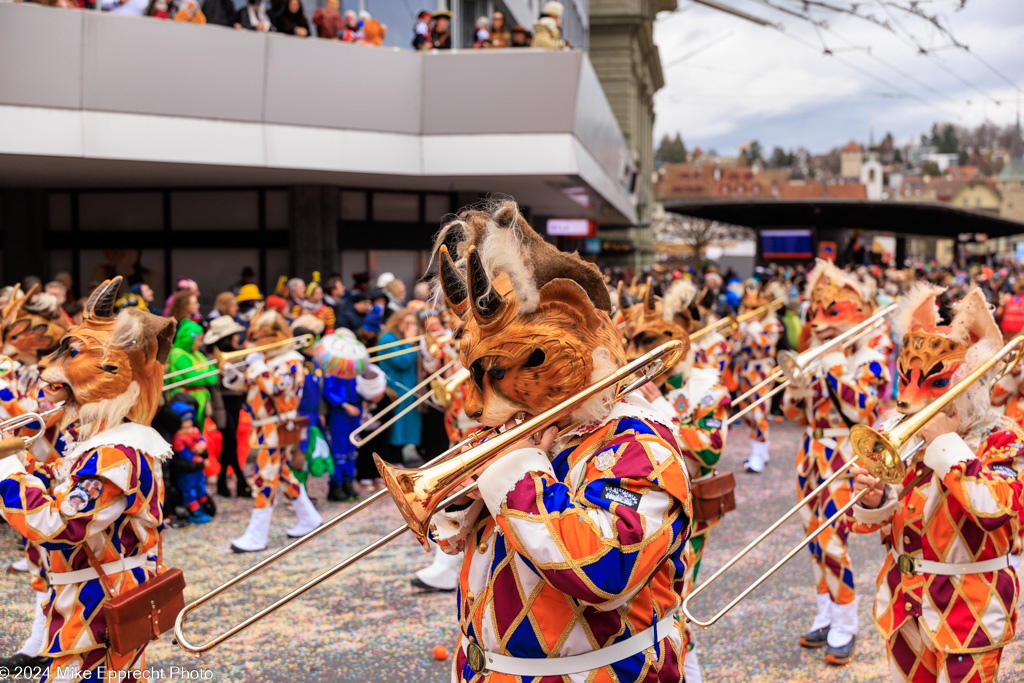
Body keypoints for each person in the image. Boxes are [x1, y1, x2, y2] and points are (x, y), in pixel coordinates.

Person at [428, 201, 691, 682]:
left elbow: (603, 572)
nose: (473, 405)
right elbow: (453, 544)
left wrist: (517, 473)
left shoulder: (640, 446)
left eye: (498, 372)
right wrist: (461, 500)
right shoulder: (529, 433)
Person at [0, 277, 175, 681]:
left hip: (98, 610)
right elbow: (60, 483)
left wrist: (7, 471)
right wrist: (22, 463)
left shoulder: (117, 453)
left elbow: (57, 526)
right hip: (84, 607)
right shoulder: (99, 445)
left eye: (72, 353)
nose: (48, 365)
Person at [851, 284, 1024, 683]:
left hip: (971, 610)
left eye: (935, 384)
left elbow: (996, 512)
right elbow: (869, 522)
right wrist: (877, 498)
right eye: (907, 382)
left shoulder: (1005, 439)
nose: (910, 401)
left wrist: (945, 442)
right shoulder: (899, 433)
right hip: (903, 601)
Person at [620, 279, 730, 683]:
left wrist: (661, 407)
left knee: (674, 598)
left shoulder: (707, 387)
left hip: (687, 509)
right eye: (634, 340)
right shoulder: (627, 384)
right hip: (631, 506)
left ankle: (689, 672)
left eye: (649, 340)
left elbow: (710, 449)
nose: (637, 352)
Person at [781, 260, 890, 666]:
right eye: (816, 314)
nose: (820, 324)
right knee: (814, 543)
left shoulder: (871, 359)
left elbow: (861, 407)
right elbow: (795, 417)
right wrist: (795, 387)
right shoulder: (818, 358)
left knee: (833, 542)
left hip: (846, 455)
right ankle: (826, 615)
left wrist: (833, 362)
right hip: (810, 456)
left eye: (831, 314)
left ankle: (846, 623)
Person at [0, 285, 70, 671]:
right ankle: (38, 641)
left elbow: (37, 418)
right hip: (34, 470)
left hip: (59, 471)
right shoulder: (27, 369)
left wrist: (4, 393)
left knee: (55, 556)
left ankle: (50, 643)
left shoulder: (60, 371)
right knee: (36, 557)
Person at [226, 309, 323, 553]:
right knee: (281, 473)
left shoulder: (291, 361)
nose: (255, 344)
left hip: (277, 427)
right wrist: (233, 374)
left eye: (260, 338)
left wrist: (257, 365)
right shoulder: (269, 361)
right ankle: (309, 518)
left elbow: (276, 387)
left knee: (263, 477)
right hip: (264, 427)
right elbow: (251, 386)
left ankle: (257, 535)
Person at [734, 281, 784, 473]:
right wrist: (739, 335)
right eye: (746, 306)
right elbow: (735, 349)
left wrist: (753, 328)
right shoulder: (744, 324)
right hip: (744, 371)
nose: (748, 310)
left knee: (759, 413)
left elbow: (766, 344)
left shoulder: (772, 324)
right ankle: (758, 450)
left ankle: (760, 452)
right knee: (747, 414)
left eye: (754, 307)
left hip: (762, 371)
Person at [204, 315, 251, 498]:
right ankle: (241, 480)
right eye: (233, 334)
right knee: (230, 440)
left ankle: (224, 483)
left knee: (229, 443)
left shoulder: (235, 353)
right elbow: (219, 382)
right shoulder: (216, 356)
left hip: (235, 401)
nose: (237, 337)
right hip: (222, 403)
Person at [165, 319, 216, 425]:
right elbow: (192, 378)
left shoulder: (198, 354)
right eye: (199, 339)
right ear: (190, 338)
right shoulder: (177, 353)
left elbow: (213, 378)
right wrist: (205, 374)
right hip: (185, 400)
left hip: (202, 400)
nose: (201, 344)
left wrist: (203, 376)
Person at [169, 401, 212, 524]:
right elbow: (183, 454)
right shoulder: (178, 437)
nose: (188, 423)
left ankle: (203, 509)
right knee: (190, 491)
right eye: (185, 420)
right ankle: (194, 513)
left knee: (200, 487)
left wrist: (202, 445)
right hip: (187, 472)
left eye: (189, 420)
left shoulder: (194, 431)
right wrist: (197, 460)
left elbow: (202, 439)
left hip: (197, 470)